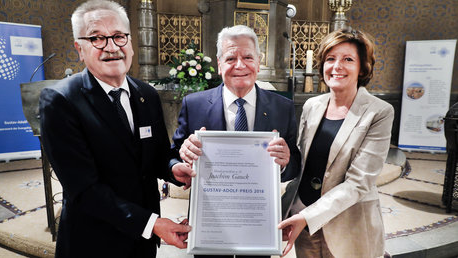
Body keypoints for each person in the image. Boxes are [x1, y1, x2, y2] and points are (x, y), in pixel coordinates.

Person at [39, 1, 191, 257]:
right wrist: (152, 223)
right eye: (97, 38)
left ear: (130, 42)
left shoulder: (147, 94)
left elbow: (157, 155)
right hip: (94, 242)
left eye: (119, 36)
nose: (112, 47)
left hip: (142, 243)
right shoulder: (60, 101)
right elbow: (85, 189)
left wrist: (174, 169)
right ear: (80, 48)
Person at [170, 25, 301, 257]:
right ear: (220, 64)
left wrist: (285, 161)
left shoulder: (282, 107)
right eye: (231, 58)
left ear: (258, 62)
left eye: (248, 57)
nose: (240, 65)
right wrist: (182, 160)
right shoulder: (195, 104)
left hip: (258, 224)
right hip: (210, 224)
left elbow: (295, 167)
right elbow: (173, 156)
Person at [279, 28, 394, 258]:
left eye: (348, 59)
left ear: (362, 67)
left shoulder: (379, 112)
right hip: (304, 223)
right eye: (330, 59)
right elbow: (302, 165)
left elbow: (359, 183)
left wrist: (308, 217)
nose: (337, 66)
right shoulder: (312, 106)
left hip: (349, 225)